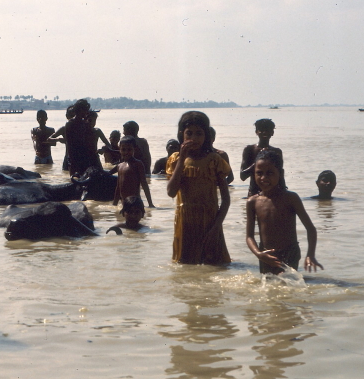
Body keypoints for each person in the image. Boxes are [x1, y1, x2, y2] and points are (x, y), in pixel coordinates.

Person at [166, 111, 231, 265]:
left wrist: (216, 227)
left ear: (206, 136)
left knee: (214, 265)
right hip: (184, 222)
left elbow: (226, 200)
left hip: (210, 222)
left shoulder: (214, 160)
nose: (193, 138)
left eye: (199, 133)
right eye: (189, 133)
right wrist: (182, 158)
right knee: (185, 266)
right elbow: (171, 192)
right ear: (182, 134)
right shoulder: (176, 159)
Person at [246, 148, 323, 274]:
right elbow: (249, 236)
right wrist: (259, 254)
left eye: (270, 173)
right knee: (268, 288)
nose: (264, 177)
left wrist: (310, 255)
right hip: (266, 254)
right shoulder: (252, 202)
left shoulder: (290, 198)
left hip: (290, 253)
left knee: (289, 288)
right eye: (259, 173)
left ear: (280, 173)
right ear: (253, 174)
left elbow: (310, 228)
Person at [240, 118, 283, 196]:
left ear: (272, 133)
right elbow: (242, 176)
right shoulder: (249, 149)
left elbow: (280, 176)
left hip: (274, 194)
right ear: (256, 132)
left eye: (267, 130)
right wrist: (259, 160)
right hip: (254, 193)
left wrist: (284, 194)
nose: (264, 132)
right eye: (261, 130)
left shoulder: (277, 152)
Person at [113, 135, 154, 208]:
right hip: (124, 204)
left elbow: (144, 184)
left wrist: (150, 204)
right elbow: (118, 188)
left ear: (135, 149)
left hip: (135, 203)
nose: (126, 152)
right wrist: (114, 205)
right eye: (123, 149)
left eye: (129, 149)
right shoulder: (120, 166)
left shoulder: (138, 164)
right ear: (120, 149)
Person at [63, 99, 101, 176]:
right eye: (85, 110)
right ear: (79, 110)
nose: (86, 112)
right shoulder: (70, 124)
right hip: (74, 158)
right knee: (75, 181)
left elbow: (88, 141)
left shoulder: (85, 124)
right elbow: (69, 143)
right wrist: (71, 161)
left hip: (85, 158)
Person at [48, 105, 76, 170]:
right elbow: (49, 139)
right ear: (67, 116)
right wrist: (58, 139)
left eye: (74, 116)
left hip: (79, 157)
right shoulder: (64, 129)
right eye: (71, 116)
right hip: (68, 157)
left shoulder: (81, 128)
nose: (72, 118)